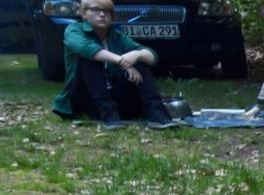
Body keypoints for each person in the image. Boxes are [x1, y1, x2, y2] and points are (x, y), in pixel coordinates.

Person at [50, 0, 179, 128]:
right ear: (84, 14)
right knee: (90, 58)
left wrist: (137, 55)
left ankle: (157, 113)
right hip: (84, 99)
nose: (102, 14)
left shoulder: (116, 36)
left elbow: (152, 56)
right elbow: (86, 48)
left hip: (115, 99)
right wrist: (124, 62)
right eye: (96, 10)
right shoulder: (73, 30)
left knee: (139, 59)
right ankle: (108, 114)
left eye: (107, 11)